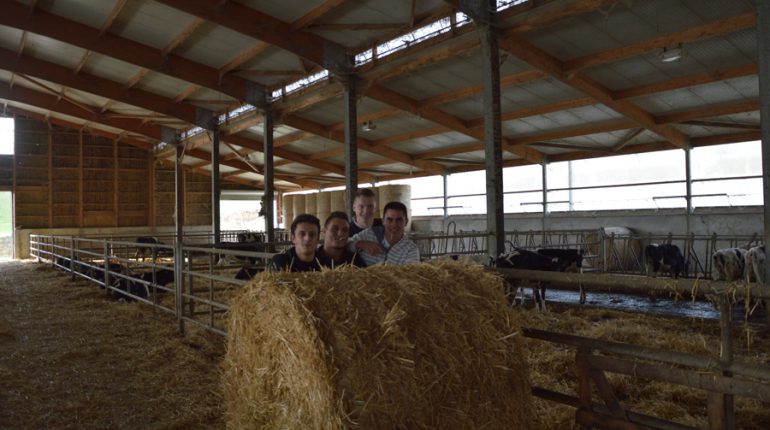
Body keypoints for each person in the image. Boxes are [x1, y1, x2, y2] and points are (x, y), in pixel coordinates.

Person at [348, 201, 420, 266]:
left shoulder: (411, 249)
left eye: (399, 220)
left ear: (406, 222)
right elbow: (346, 243)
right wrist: (360, 244)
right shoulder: (369, 234)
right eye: (390, 220)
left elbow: (411, 273)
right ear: (383, 221)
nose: (394, 224)